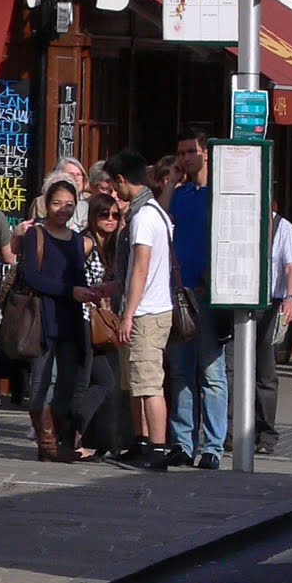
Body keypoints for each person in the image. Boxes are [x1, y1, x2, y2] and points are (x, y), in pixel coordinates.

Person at [99, 150, 175, 468]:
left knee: (148, 383)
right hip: (145, 307)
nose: (115, 195)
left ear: (122, 180)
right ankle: (140, 440)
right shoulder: (154, 212)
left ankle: (157, 449)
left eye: (116, 187)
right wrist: (112, 289)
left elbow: (141, 269)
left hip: (147, 312)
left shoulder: (145, 218)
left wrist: (128, 313)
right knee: (133, 382)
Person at [20, 177, 95, 462]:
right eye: (56, 203)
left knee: (67, 382)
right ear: (45, 205)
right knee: (40, 382)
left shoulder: (77, 240)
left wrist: (90, 291)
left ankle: (60, 438)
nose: (63, 209)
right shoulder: (35, 235)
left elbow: (78, 276)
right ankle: (46, 442)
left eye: (69, 204)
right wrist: (69, 291)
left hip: (71, 319)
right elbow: (32, 277)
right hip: (42, 317)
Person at [167, 126, 227, 468]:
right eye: (182, 152)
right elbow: (160, 216)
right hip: (179, 292)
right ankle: (182, 442)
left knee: (211, 372)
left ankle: (213, 446)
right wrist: (172, 180)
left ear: (206, 152)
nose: (186, 157)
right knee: (181, 371)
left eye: (191, 151)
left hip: (207, 294)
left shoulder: (218, 193)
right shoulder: (181, 193)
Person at [76, 192, 127, 458]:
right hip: (83, 320)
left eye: (115, 215)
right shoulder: (86, 242)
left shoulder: (111, 246)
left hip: (99, 323)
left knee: (104, 380)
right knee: (99, 381)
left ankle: (91, 438)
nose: (110, 219)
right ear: (93, 216)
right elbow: (71, 273)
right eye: (104, 214)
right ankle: (72, 435)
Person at [255, 206, 292, 456]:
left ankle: (266, 434)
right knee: (232, 371)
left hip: (270, 303)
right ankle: (233, 432)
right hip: (239, 303)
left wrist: (290, 298)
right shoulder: (241, 222)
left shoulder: (283, 227)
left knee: (265, 372)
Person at [54, 156, 90, 232]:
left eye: (78, 174)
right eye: (71, 174)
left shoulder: (91, 201)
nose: (76, 178)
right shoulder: (42, 201)